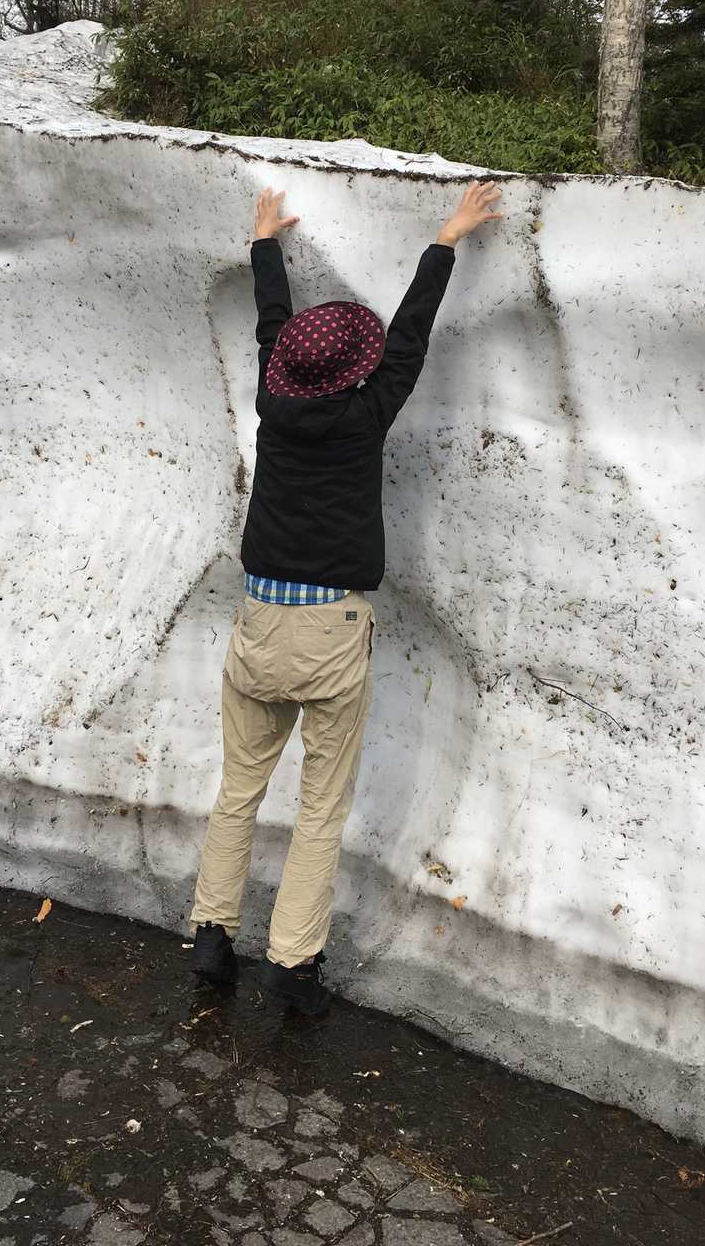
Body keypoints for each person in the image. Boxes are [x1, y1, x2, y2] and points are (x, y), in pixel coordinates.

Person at [188, 179, 504, 1016]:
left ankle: (212, 935)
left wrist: (264, 244)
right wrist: (447, 237)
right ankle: (292, 967)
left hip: (260, 621)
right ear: (354, 373)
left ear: (288, 369)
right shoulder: (367, 416)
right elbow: (409, 338)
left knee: (239, 789)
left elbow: (271, 326)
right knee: (320, 808)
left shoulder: (273, 402)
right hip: (332, 628)